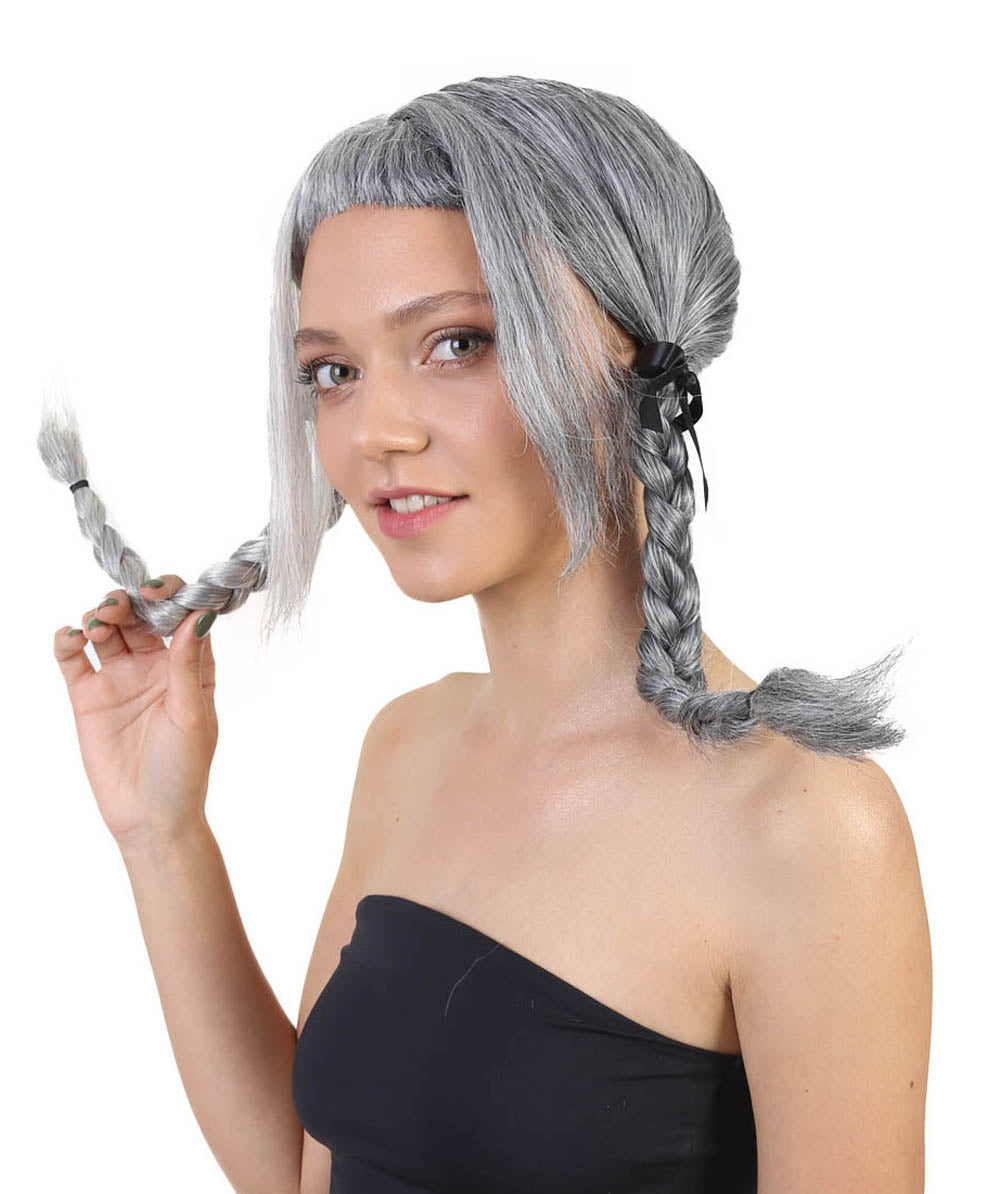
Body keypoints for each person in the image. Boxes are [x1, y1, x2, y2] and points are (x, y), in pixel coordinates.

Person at [40, 75, 931, 1194]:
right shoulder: (408, 747)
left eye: (457, 343)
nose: (375, 431)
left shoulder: (804, 828)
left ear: (638, 355)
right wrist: (160, 835)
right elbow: (308, 1172)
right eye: (333, 372)